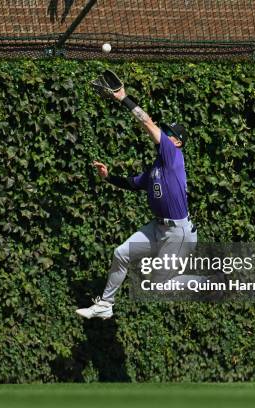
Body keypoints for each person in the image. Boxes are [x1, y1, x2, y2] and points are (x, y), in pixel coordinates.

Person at [76, 84, 200, 319]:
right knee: (121, 253)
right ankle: (105, 304)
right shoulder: (157, 169)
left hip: (178, 233)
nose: (164, 134)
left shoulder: (173, 155)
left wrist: (124, 98)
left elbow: (147, 124)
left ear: (178, 142)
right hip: (159, 228)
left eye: (169, 133)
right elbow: (133, 184)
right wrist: (108, 177)